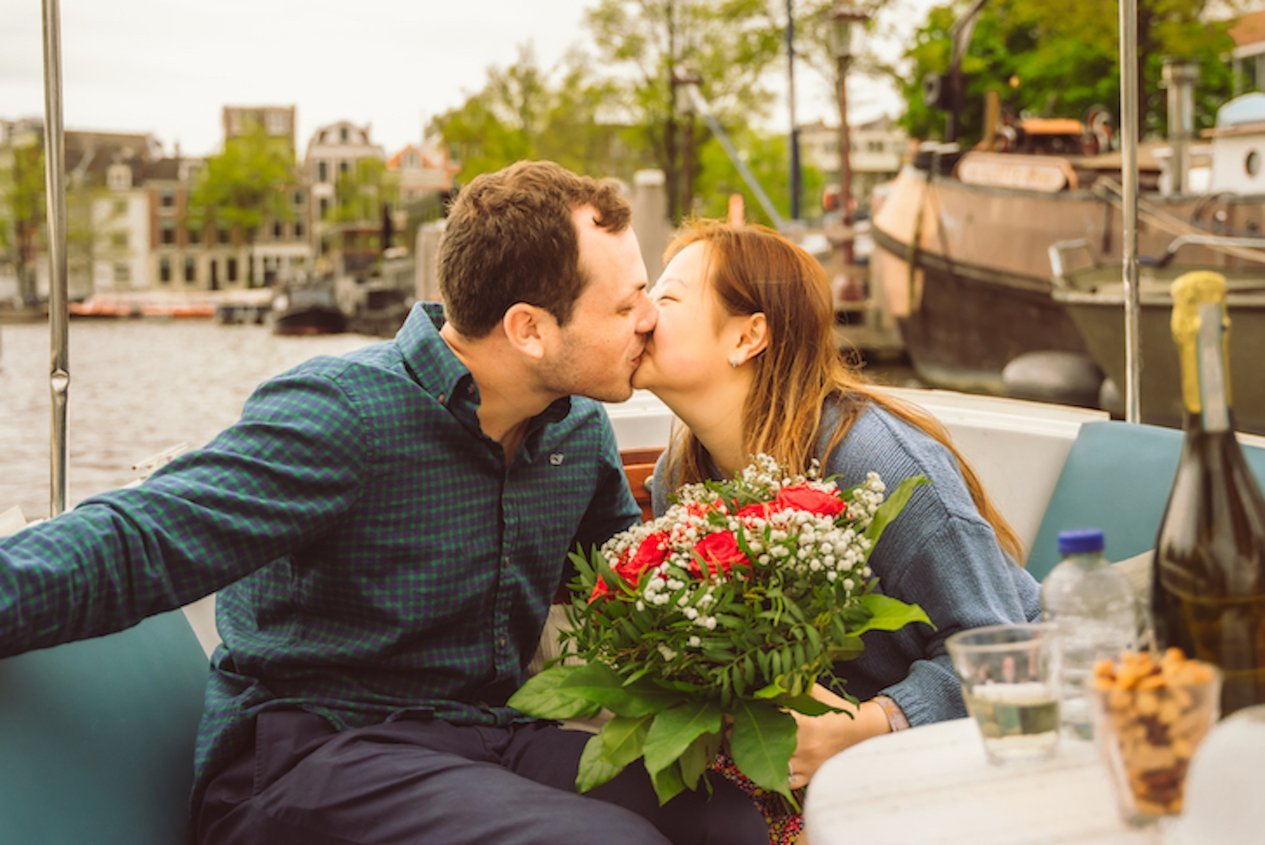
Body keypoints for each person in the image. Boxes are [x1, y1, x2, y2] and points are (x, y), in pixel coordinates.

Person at [0, 162, 770, 845]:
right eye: (626, 300)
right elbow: (142, 539)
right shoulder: (342, 414)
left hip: (486, 733)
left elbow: (636, 593)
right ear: (529, 330)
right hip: (310, 755)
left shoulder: (576, 428)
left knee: (740, 813)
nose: (648, 316)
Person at [632, 220, 1041, 843]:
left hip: (1006, 724)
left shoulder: (880, 461)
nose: (642, 314)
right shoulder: (680, 477)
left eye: (667, 298)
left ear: (747, 336)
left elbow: (1005, 655)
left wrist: (868, 725)